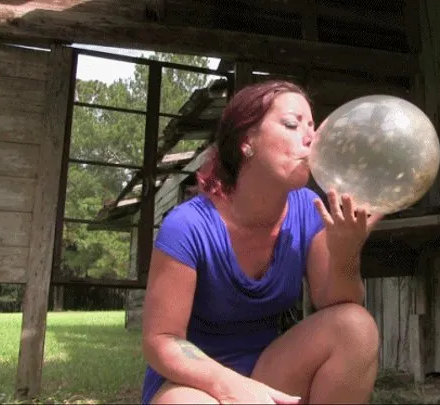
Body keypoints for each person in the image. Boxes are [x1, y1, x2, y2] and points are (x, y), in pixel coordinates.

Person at [141, 80, 383, 404]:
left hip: (269, 371)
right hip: (192, 383)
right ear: (246, 142)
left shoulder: (307, 209)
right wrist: (231, 387)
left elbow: (336, 305)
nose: (312, 139)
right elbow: (162, 339)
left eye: (312, 127)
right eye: (292, 124)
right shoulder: (188, 226)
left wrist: (345, 252)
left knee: (356, 327)